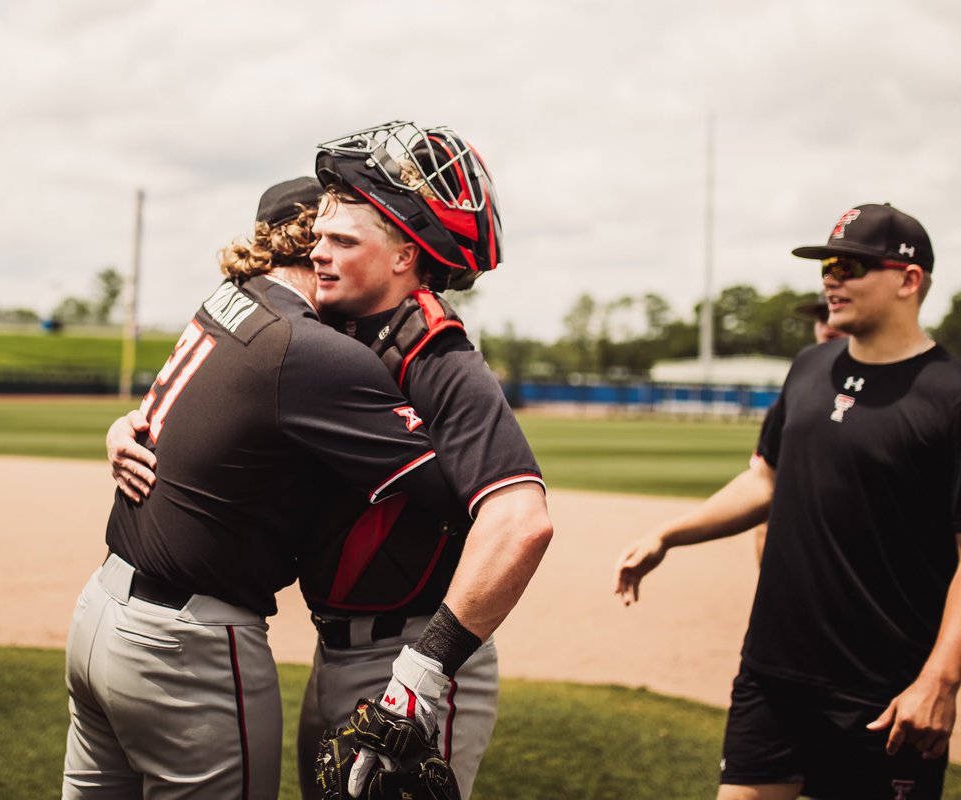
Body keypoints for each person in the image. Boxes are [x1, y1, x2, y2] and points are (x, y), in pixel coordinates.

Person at [107, 122, 553, 800]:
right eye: (319, 238)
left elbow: (521, 522)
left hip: (409, 656)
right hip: (337, 647)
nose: (320, 254)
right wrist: (134, 427)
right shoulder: (327, 329)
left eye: (343, 242)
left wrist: (424, 676)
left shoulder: (441, 355)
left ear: (405, 256)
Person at [614, 202, 960, 799]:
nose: (832, 277)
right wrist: (671, 533)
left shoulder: (950, 396)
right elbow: (767, 481)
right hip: (773, 672)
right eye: (827, 264)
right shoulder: (809, 367)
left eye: (851, 266)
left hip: (881, 689)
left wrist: (941, 680)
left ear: (909, 280)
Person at [750, 292, 846, 563]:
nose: (828, 325)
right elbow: (764, 498)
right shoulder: (792, 397)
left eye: (833, 314)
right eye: (821, 318)